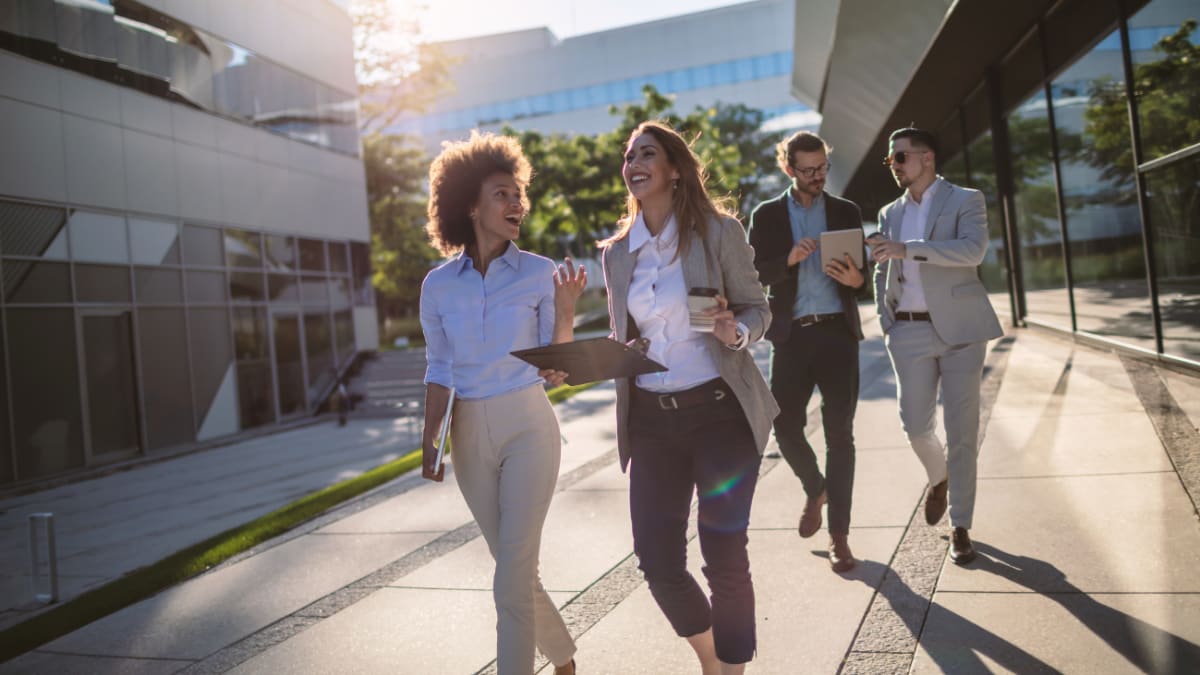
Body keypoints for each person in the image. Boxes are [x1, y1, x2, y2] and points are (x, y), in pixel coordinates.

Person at [599, 121, 778, 675]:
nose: (633, 164)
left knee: (723, 554)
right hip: (652, 421)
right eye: (629, 156)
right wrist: (592, 358)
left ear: (674, 168)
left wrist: (736, 331)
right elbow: (622, 336)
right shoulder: (616, 254)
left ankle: (733, 668)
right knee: (656, 560)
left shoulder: (717, 231)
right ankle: (712, 659)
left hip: (719, 412)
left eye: (646, 154)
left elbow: (757, 308)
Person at [419, 131, 586, 675]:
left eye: (519, 195)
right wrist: (430, 439)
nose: (517, 204)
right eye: (501, 194)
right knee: (513, 567)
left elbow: (554, 367)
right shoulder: (437, 286)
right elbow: (439, 367)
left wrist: (564, 309)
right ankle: (562, 656)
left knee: (511, 572)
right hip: (467, 432)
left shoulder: (540, 272)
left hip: (527, 425)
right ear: (469, 205)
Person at [868, 127, 1003, 566]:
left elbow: (973, 251)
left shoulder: (966, 199)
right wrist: (885, 317)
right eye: (890, 160)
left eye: (900, 158)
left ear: (926, 157)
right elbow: (883, 265)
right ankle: (938, 476)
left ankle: (960, 524)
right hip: (906, 331)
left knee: (962, 430)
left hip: (961, 329)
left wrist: (908, 248)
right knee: (914, 425)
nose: (894, 166)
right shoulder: (888, 210)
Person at [746, 131, 867, 573]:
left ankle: (840, 537)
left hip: (838, 335)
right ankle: (816, 488)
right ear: (789, 169)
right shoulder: (768, 215)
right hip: (792, 336)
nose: (818, 177)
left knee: (841, 435)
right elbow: (755, 271)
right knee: (785, 425)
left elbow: (864, 278)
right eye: (808, 170)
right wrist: (790, 260)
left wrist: (856, 281)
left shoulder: (845, 211)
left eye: (823, 168)